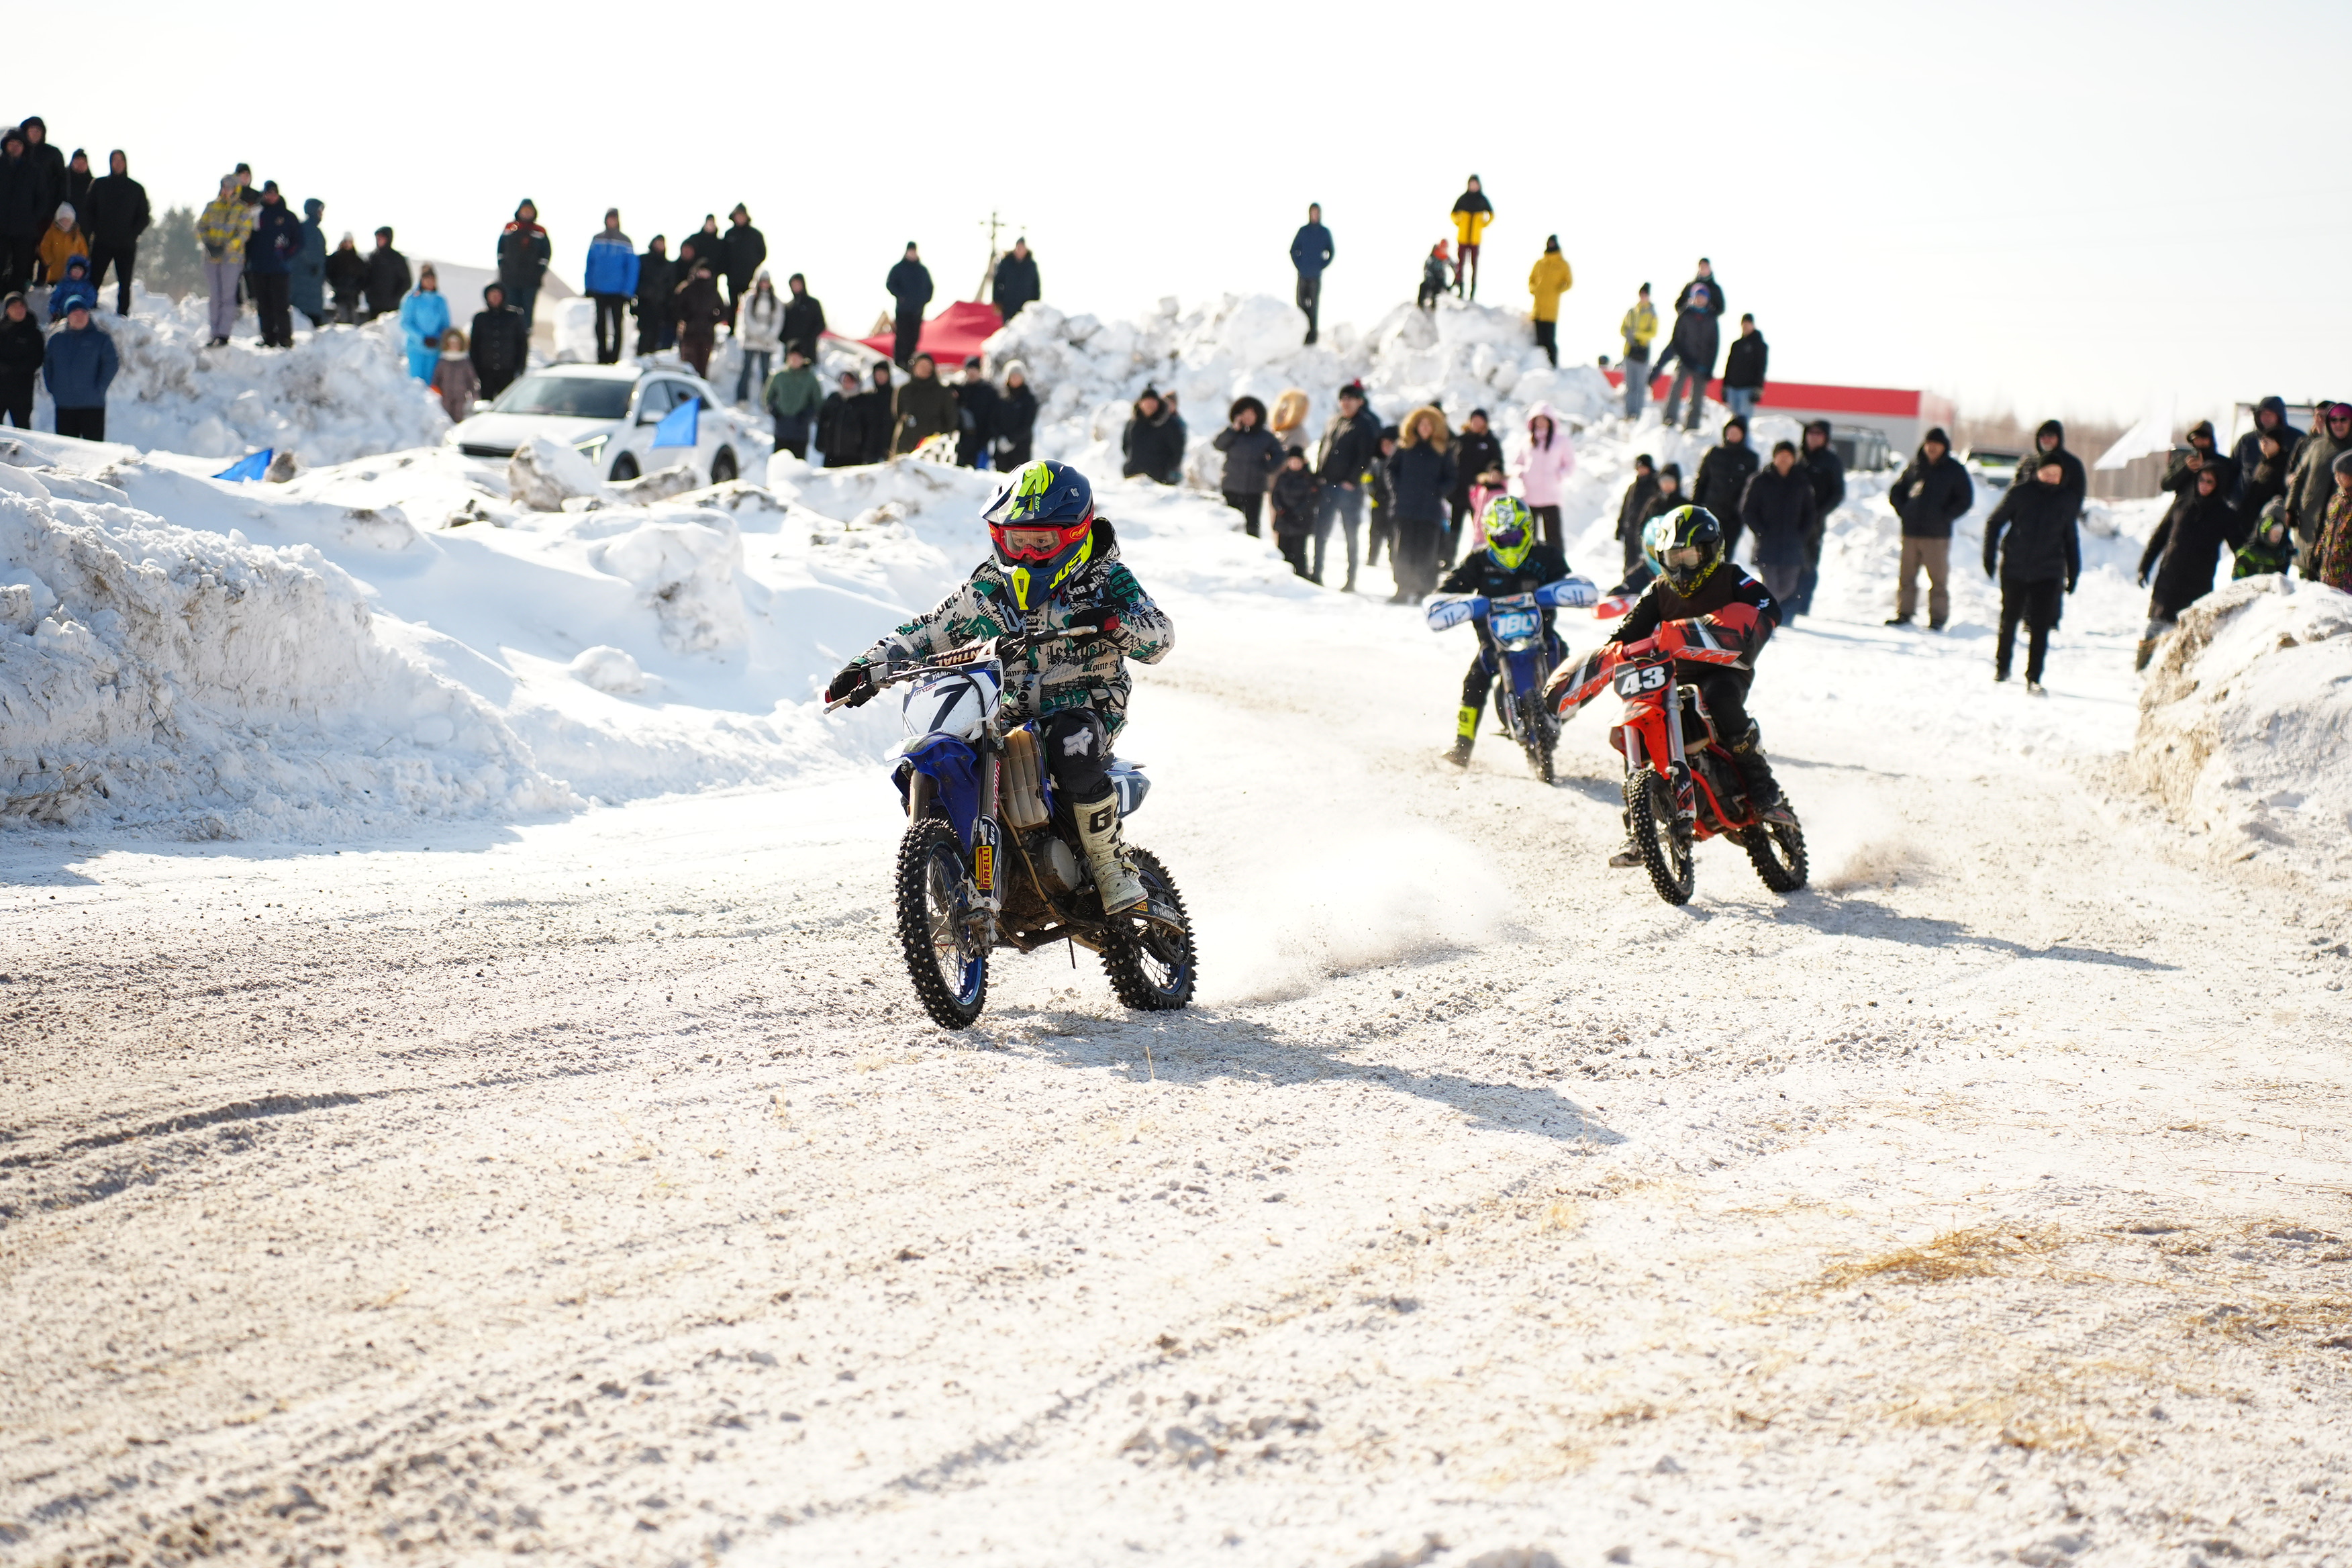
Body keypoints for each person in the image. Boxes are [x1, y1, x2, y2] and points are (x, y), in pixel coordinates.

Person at [825, 459, 1175, 918]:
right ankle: (954, 867)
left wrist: (1114, 622)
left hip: (1087, 702)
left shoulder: (1107, 579)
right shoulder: (989, 586)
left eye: (1041, 542)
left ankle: (1112, 869)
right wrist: (866, 665)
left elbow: (1160, 636)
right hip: (1005, 709)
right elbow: (929, 629)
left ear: (1074, 535)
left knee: (1069, 744)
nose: (1027, 554)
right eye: (1017, 541)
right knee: (943, 755)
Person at [1593, 506, 1793, 859]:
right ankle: (1637, 826)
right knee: (1632, 725)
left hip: (1724, 669)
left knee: (1719, 698)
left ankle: (1763, 786)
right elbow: (1626, 632)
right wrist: (1611, 653)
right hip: (1670, 677)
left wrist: (1734, 624)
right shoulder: (1658, 591)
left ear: (1711, 551)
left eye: (1689, 556)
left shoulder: (1732, 578)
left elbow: (1768, 607)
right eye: (1674, 557)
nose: (1681, 566)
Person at [1438, 495, 1578, 767]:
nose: (1509, 544)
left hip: (1541, 635)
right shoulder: (1479, 560)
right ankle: (1462, 745)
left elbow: (1567, 581)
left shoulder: (1546, 555)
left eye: (1515, 537)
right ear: (1490, 536)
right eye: (1502, 539)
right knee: (1475, 680)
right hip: (1495, 641)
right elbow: (1450, 588)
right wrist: (1446, 601)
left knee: (1568, 662)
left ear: (1528, 530)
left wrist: (1570, 590)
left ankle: (1565, 709)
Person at [1981, 454, 2080, 692]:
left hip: (2049, 571)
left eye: (2056, 474)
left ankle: (2034, 676)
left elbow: (2071, 538)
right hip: (2015, 567)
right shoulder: (2020, 493)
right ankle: (2002, 667)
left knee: (2040, 625)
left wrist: (2074, 571)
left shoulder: (2066, 500)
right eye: (2048, 472)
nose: (2051, 477)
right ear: (2038, 472)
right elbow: (1995, 522)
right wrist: (1989, 556)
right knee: (2010, 619)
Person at [2136, 461, 2241, 670]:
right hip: (2170, 577)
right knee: (2154, 626)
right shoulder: (2181, 504)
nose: (2204, 485)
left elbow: (2240, 547)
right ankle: (2141, 669)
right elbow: (2159, 537)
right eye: (2202, 479)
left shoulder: (2224, 514)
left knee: (2188, 633)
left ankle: (2180, 672)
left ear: (2218, 485)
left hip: (2197, 583)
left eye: (2210, 482)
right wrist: (2144, 566)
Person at [1886, 426, 1971, 629]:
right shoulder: (1916, 466)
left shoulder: (1954, 470)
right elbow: (1897, 491)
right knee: (1906, 577)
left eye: (1936, 444)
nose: (1932, 448)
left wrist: (1945, 516)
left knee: (1938, 580)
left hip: (1937, 535)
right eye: (1929, 444)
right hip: (1911, 533)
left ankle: (1938, 619)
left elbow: (1965, 499)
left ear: (1944, 447)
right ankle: (1904, 613)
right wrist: (1905, 511)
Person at [1312, 382, 1381, 588]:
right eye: (1343, 399)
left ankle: (1351, 579)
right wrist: (1319, 474)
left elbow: (1365, 457)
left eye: (1350, 399)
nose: (1346, 403)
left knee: (1350, 534)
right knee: (1321, 531)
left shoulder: (1365, 425)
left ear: (1360, 401)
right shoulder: (1334, 421)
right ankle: (1316, 573)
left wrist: (1352, 481)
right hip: (1327, 485)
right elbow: (1324, 448)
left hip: (1350, 490)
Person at [1385, 406, 1457, 602]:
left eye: (1429, 425)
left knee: (1427, 552)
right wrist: (1398, 490)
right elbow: (1391, 470)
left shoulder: (1443, 450)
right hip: (1405, 507)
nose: (1425, 428)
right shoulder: (1404, 446)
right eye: (1422, 424)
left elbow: (1452, 478)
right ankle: (1403, 588)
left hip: (1430, 510)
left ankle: (1424, 590)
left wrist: (1438, 491)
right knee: (1403, 550)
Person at [1738, 440, 1820, 610]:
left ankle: (1762, 611)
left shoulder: (1801, 482)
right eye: (1781, 455)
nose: (1784, 459)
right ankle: (1764, 616)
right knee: (1771, 587)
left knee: (1788, 587)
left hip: (1793, 545)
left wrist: (1801, 534)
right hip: (1767, 543)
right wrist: (1761, 531)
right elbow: (1748, 510)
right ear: (1775, 457)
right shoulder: (1760, 480)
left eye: (1788, 456)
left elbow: (1810, 513)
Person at [2283, 402, 2352, 577]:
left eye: (2343, 419)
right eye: (2334, 420)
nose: (2338, 424)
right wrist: (2290, 508)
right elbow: (2299, 478)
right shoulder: (2317, 446)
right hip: (2309, 521)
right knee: (2306, 577)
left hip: (2342, 525)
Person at [1789, 418, 1845, 616]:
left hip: (1814, 521)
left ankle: (1802, 604)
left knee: (1808, 563)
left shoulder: (1831, 461)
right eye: (1811, 433)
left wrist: (1820, 513)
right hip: (1790, 519)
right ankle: (1786, 602)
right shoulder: (1797, 457)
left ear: (1826, 438)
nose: (1813, 438)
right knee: (1787, 561)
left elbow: (1838, 493)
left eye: (1818, 434)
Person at [42, 297, 118, 441]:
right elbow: (48, 365)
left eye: (83, 313)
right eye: (75, 313)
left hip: (92, 405)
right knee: (66, 448)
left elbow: (111, 365)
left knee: (92, 449)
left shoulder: (101, 339)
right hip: (64, 405)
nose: (80, 317)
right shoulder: (57, 340)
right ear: (68, 317)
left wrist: (100, 388)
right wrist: (53, 388)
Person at [1661, 262, 1725, 430]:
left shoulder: (1711, 318)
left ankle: (1692, 426)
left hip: (1702, 362)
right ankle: (1669, 419)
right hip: (1685, 359)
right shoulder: (1686, 314)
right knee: (1676, 389)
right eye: (1698, 296)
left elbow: (1714, 345)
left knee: (1697, 397)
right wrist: (1684, 357)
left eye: (1703, 297)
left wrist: (1710, 367)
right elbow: (1677, 338)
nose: (1700, 299)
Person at [83, 151, 148, 316]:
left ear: (126, 163)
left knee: (125, 282)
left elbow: (144, 216)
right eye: (114, 160)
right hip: (102, 241)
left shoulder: (136, 189)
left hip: (126, 244)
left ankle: (123, 314)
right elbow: (88, 210)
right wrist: (96, 230)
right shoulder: (99, 185)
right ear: (110, 163)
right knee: (94, 278)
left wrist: (132, 234)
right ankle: (89, 309)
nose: (118, 163)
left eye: (121, 160)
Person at [195, 177, 254, 345]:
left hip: (232, 259)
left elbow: (244, 233)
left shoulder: (242, 209)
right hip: (211, 258)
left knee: (228, 296)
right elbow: (200, 226)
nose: (226, 190)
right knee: (215, 296)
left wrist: (226, 247)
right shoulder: (212, 206)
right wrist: (208, 243)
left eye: (229, 187)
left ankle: (223, 334)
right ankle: (213, 332)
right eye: (224, 187)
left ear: (236, 189)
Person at [1213, 395, 1283, 536]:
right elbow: (1218, 445)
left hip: (1254, 488)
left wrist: (1268, 467)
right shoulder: (1232, 433)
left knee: (1252, 526)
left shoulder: (1265, 436)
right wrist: (1233, 430)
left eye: (1252, 415)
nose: (1248, 418)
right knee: (1230, 525)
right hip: (1232, 486)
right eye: (1245, 414)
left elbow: (1279, 454)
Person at [1692, 416, 1759, 560]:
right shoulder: (1714, 453)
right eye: (1730, 431)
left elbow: (1752, 489)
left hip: (1733, 517)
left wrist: (1744, 511)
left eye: (1737, 432)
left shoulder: (1750, 458)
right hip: (1711, 512)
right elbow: (1701, 482)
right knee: (1706, 553)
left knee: (1725, 556)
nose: (1733, 435)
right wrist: (1696, 507)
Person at [244, 183, 301, 348]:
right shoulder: (256, 214)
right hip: (259, 267)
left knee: (281, 305)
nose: (270, 196)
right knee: (263, 305)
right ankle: (268, 337)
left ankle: (285, 338)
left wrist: (286, 255)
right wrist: (248, 259)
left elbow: (298, 241)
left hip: (280, 269)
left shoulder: (288, 216)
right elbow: (248, 238)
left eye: (273, 193)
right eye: (268, 193)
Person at [1512, 402, 1576, 547]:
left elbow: (1570, 464)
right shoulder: (1527, 441)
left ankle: (1556, 562)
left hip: (1551, 498)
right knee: (1529, 538)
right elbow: (1516, 463)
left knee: (1554, 539)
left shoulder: (1561, 441)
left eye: (1544, 419)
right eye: (1538, 419)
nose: (1541, 422)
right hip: (1529, 496)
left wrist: (1558, 475)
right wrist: (1523, 473)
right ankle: (1530, 561)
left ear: (1551, 421)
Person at [1448, 408, 1506, 567]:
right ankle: (1448, 559)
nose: (1477, 424)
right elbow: (1450, 462)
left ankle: (1483, 559)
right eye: (1474, 420)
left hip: (1480, 495)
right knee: (1454, 528)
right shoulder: (1460, 440)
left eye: (1480, 421)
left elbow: (1497, 461)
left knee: (1481, 528)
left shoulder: (1490, 442)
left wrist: (1494, 471)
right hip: (1459, 492)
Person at [583, 209, 638, 364]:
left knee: (616, 325)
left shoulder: (625, 241)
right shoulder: (597, 239)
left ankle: (614, 357)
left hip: (618, 291)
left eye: (614, 219)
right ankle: (602, 355)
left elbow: (632, 268)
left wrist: (628, 291)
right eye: (609, 218)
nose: (612, 221)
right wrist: (588, 285)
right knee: (600, 324)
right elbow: (590, 263)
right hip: (599, 289)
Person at [2230, 397, 2301, 503]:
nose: (2266, 418)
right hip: (2246, 503)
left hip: (2279, 504)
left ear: (2279, 415)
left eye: (2270, 414)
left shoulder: (2296, 439)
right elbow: (2233, 470)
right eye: (2263, 414)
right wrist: (2234, 498)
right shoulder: (2247, 441)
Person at [496, 199, 550, 330]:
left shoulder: (539, 231)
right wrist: (503, 268)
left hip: (530, 280)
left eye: (529, 211)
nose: (526, 213)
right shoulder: (510, 228)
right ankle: (509, 333)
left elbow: (546, 254)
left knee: (527, 311)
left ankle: (525, 334)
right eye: (524, 210)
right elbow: (501, 250)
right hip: (510, 278)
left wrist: (539, 271)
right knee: (510, 309)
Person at [891, 352, 958, 456]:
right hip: (908, 442)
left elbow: (951, 419)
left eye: (928, 366)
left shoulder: (943, 392)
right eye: (921, 366)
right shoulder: (904, 390)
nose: (925, 369)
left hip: (933, 445)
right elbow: (898, 414)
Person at [469, 281, 526, 402]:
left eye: (498, 294)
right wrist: (475, 369)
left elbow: (522, 344)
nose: (495, 298)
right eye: (492, 295)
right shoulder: (480, 318)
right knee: (486, 402)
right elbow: (474, 345)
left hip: (508, 370)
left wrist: (519, 368)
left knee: (507, 402)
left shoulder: (514, 316)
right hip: (486, 371)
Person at [0, 130, 42, 295]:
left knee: (21, 266)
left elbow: (42, 198)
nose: (15, 147)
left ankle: (16, 300)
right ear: (5, 146)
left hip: (24, 229)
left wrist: (32, 219)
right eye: (12, 144)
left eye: (19, 144)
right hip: (1, 226)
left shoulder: (33, 170)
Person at [762, 344, 822, 459]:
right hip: (782, 427)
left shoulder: (810, 378)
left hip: (800, 429)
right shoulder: (780, 376)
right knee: (780, 460)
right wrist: (774, 411)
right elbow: (767, 397)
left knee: (797, 462)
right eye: (792, 356)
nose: (795, 360)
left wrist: (807, 415)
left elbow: (817, 402)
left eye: (798, 357)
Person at [2161, 420, 2239, 507]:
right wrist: (2186, 469)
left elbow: (2231, 489)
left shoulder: (2223, 463)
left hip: (2212, 509)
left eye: (2204, 438)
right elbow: (2167, 485)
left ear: (2211, 440)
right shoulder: (2183, 459)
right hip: (2184, 507)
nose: (2200, 442)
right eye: (2196, 439)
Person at [1270, 446, 1319, 577]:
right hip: (1284, 521)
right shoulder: (1282, 477)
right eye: (1292, 461)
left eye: (1298, 462)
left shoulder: (1309, 479)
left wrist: (1297, 512)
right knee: (1283, 553)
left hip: (1300, 522)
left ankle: (1302, 577)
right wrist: (1281, 510)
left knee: (1299, 554)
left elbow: (1311, 500)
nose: (1295, 464)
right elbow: (1275, 496)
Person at [2023, 418, 2088, 517]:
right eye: (2042, 436)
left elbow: (2077, 496)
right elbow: (2017, 491)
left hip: (2059, 519)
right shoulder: (2029, 463)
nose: (2046, 439)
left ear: (2059, 437)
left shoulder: (2071, 463)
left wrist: (2065, 518)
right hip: (2029, 519)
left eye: (2050, 435)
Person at [735, 271, 783, 405]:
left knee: (765, 372)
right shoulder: (750, 298)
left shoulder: (775, 301)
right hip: (751, 340)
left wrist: (769, 335)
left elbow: (778, 321)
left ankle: (767, 400)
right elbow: (746, 317)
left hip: (767, 342)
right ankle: (742, 398)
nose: (764, 284)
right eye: (762, 281)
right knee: (746, 369)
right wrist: (756, 333)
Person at [673, 254, 724, 378]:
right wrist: (687, 318)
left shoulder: (714, 292)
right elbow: (676, 308)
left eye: (706, 271)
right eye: (702, 271)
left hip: (707, 335)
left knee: (703, 370)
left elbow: (723, 311)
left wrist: (712, 320)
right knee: (689, 368)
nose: (704, 274)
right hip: (689, 334)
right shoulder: (687, 289)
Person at [1121, 386, 1185, 484]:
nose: (1149, 405)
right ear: (1140, 403)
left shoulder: (1170, 424)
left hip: (1160, 480)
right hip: (1133, 476)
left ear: (1158, 403)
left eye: (1152, 402)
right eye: (1146, 402)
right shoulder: (1132, 423)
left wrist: (1167, 472)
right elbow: (1126, 446)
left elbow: (1177, 451)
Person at [398, 266, 450, 381]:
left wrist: (437, 338)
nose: (430, 282)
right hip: (416, 347)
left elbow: (445, 324)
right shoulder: (412, 299)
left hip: (434, 348)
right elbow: (405, 322)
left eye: (432, 279)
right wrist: (422, 338)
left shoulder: (440, 300)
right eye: (427, 279)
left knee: (431, 381)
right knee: (417, 381)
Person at [1290, 204, 1333, 345]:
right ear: (1309, 214)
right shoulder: (1303, 231)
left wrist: (1321, 265)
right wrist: (1300, 265)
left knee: (1313, 307)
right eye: (1313, 213)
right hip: (1303, 274)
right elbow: (1293, 250)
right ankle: (1301, 335)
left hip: (1315, 276)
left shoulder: (1324, 232)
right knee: (1301, 304)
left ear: (1320, 214)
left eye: (1317, 213)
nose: (1315, 215)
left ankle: (1312, 338)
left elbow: (1331, 252)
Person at [1526, 235, 1571, 367]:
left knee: (1549, 340)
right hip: (1538, 308)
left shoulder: (1562, 264)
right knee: (1539, 340)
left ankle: (1553, 365)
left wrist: (1559, 289)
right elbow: (1531, 279)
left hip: (1551, 309)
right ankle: (1539, 365)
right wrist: (1534, 290)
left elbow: (1569, 282)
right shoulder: (1540, 263)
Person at [1614, 454, 1660, 579]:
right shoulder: (1633, 487)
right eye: (1639, 468)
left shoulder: (1655, 486)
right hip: (1630, 531)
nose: (1641, 470)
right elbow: (1625, 508)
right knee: (1630, 561)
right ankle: (1628, 582)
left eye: (1644, 467)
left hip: (1646, 532)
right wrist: (1620, 527)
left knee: (1644, 562)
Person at [886, 242, 932, 369]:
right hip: (903, 311)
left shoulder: (922, 270)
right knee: (902, 339)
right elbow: (890, 284)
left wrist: (923, 300)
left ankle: (910, 364)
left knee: (914, 339)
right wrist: (901, 296)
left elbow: (930, 288)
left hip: (917, 311)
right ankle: (899, 363)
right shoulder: (899, 268)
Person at [0, 291, 42, 427]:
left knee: (22, 427)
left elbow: (37, 359)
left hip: (22, 389)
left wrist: (13, 368)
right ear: (7, 310)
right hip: (1, 387)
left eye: (22, 306)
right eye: (14, 307)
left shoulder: (34, 332)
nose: (19, 310)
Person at [1449, 176, 1492, 299]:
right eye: (1471, 184)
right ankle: (1461, 289)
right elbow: (1453, 214)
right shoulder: (1463, 199)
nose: (1473, 186)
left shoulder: (1482, 200)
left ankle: (1472, 292)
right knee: (1461, 265)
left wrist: (1483, 224)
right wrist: (1459, 222)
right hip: (1463, 238)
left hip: (1475, 239)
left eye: (1475, 184)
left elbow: (1492, 214)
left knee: (1474, 266)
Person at [2314, 452, 2352, 592]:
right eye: (2336, 475)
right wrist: (2319, 549)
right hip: (2329, 568)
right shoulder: (2336, 500)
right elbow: (2328, 527)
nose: (2337, 479)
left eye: (2342, 474)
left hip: (2347, 574)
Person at [721, 204, 765, 325]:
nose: (740, 218)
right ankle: (732, 328)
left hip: (750, 278)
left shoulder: (755, 235)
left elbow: (762, 254)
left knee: (751, 305)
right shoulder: (729, 234)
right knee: (733, 305)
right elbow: (723, 255)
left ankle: (750, 328)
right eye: (737, 216)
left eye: (742, 215)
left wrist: (753, 265)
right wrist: (727, 270)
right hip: (733, 278)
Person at [2234, 498, 2298, 580]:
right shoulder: (2249, 553)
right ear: (2264, 531)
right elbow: (2237, 579)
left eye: (2280, 534)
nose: (2277, 537)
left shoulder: (2280, 555)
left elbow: (2281, 579)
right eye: (2274, 534)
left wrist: (2286, 556)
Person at [1619, 284, 1657, 419]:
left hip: (1642, 353)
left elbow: (1653, 333)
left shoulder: (1652, 313)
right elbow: (1623, 328)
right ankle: (1629, 413)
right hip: (1630, 351)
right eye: (1642, 294)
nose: (1643, 297)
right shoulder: (1632, 312)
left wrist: (1637, 335)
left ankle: (1639, 414)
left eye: (1645, 294)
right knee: (1630, 385)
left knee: (1640, 386)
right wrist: (1629, 335)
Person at [289, 199, 328, 329]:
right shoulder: (308, 230)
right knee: (306, 320)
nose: (321, 214)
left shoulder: (310, 229)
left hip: (312, 282)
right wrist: (314, 264)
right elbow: (307, 251)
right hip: (305, 280)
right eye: (320, 211)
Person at [633, 236, 675, 355]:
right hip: (644, 302)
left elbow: (670, 286)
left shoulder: (668, 265)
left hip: (660, 304)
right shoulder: (643, 260)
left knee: (657, 334)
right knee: (644, 332)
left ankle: (652, 357)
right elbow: (636, 280)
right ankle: (641, 355)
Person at [955, 355, 998, 468]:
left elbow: (993, 416)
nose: (972, 373)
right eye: (969, 369)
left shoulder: (989, 391)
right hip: (964, 438)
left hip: (982, 438)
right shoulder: (962, 389)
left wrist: (988, 436)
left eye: (975, 369)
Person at [993, 360, 1038, 470]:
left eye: (1018, 376)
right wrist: (999, 437)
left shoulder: (1029, 398)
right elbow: (993, 419)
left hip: (1021, 448)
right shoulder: (1001, 396)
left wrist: (1012, 439)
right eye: (1012, 376)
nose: (1015, 379)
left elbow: (1027, 424)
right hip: (1002, 447)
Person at [1721, 314, 1766, 420]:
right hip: (1733, 387)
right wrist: (1725, 385)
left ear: (1753, 325)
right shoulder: (1736, 345)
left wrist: (1758, 387)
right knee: (1733, 420)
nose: (1745, 327)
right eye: (1744, 324)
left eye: (1748, 324)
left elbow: (1761, 367)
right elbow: (1729, 365)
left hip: (1748, 389)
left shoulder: (1759, 345)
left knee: (1743, 420)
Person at [1366, 424, 1399, 569]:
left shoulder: (1399, 462)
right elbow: (1367, 479)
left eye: (1390, 444)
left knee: (1393, 535)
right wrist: (1373, 493)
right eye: (1384, 444)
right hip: (1378, 503)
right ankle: (1372, 558)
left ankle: (1394, 560)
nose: (1387, 448)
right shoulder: (1376, 462)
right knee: (1375, 533)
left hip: (1395, 505)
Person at [36, 201, 87, 290]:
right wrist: (49, 261)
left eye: (68, 220)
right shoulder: (52, 233)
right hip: (55, 272)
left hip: (73, 274)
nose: (65, 223)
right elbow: (45, 247)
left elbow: (83, 251)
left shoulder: (77, 236)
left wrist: (80, 265)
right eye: (62, 220)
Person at [816, 369, 862, 467]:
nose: (847, 384)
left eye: (850, 381)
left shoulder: (862, 401)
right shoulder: (834, 398)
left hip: (854, 454)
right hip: (831, 452)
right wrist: (820, 442)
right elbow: (822, 421)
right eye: (845, 381)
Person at [852, 360, 896, 464]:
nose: (880, 377)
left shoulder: (895, 395)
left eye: (883, 373)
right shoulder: (868, 397)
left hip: (889, 445)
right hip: (869, 447)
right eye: (877, 374)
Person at [363, 227, 409, 323]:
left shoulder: (397, 258)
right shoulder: (372, 257)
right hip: (374, 306)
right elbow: (365, 279)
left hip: (391, 308)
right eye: (378, 237)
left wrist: (395, 298)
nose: (379, 240)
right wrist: (369, 296)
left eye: (382, 237)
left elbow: (406, 281)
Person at [432, 326, 477, 422]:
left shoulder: (465, 361)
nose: (454, 346)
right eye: (452, 344)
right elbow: (437, 377)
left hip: (461, 396)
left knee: (459, 416)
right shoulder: (443, 361)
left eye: (457, 344)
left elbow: (471, 379)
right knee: (446, 416)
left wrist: (475, 395)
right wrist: (435, 390)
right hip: (446, 395)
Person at [991, 237, 1040, 325]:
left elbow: (1036, 286)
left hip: (1025, 307)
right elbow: (998, 282)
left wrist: (1036, 304)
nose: (1020, 250)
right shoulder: (1006, 263)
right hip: (1008, 306)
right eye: (1018, 247)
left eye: (1022, 248)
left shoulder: (1031, 265)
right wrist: (997, 301)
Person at [781, 273, 825, 358]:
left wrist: (809, 338)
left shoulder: (813, 304)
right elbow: (782, 327)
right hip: (791, 352)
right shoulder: (788, 307)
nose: (796, 286)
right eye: (793, 284)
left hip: (808, 350)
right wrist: (788, 341)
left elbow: (821, 324)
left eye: (798, 283)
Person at [326, 233, 366, 324]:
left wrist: (357, 289)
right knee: (342, 319)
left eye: (350, 242)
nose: (348, 244)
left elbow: (363, 277)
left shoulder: (358, 261)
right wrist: (337, 285)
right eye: (346, 242)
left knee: (353, 320)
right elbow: (329, 274)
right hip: (340, 296)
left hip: (353, 296)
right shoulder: (335, 259)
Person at [44, 254, 96, 322]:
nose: (77, 271)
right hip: (63, 314)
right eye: (75, 269)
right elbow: (55, 299)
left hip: (80, 313)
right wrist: (54, 311)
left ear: (84, 272)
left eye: (80, 269)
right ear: (69, 270)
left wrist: (85, 308)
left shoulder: (87, 286)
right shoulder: (63, 285)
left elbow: (91, 298)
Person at [1418, 242, 1449, 311]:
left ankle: (1434, 306)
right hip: (1431, 279)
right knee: (1423, 286)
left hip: (1440, 281)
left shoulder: (1446, 257)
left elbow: (1454, 266)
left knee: (1438, 290)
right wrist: (1429, 277)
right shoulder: (1432, 257)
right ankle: (1420, 306)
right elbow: (1426, 268)